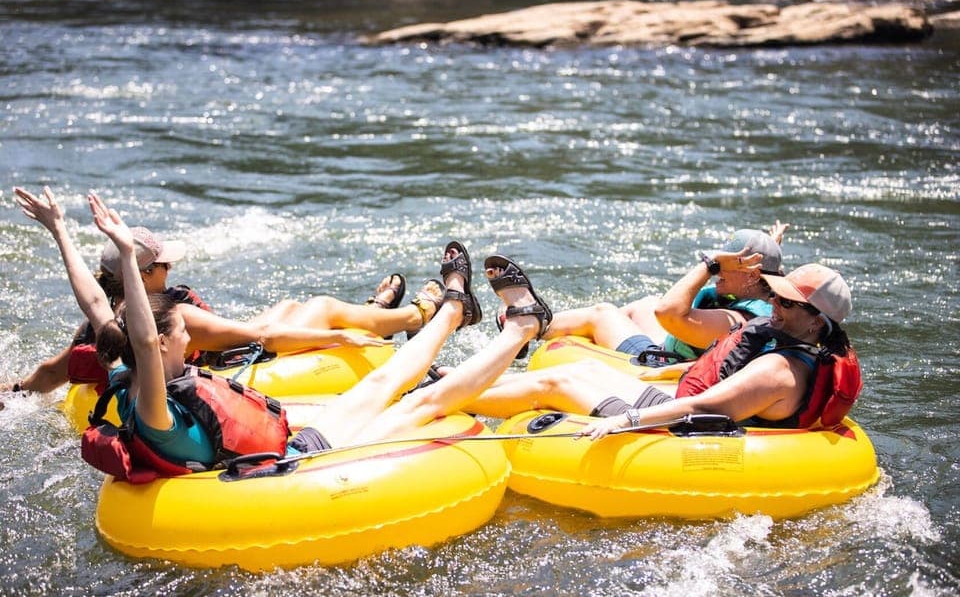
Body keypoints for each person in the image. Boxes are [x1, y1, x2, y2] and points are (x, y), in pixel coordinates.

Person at [83, 191, 553, 472]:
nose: (189, 337)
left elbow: (96, 303)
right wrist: (126, 253)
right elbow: (144, 338)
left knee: (384, 380)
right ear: (160, 343)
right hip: (301, 461)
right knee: (423, 401)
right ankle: (521, 328)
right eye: (181, 331)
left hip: (297, 443)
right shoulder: (153, 406)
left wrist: (60, 230)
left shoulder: (127, 374)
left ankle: (453, 310)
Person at [2, 186, 439, 395]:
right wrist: (336, 338)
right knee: (321, 307)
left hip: (219, 341)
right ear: (147, 275)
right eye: (165, 264)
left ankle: (373, 309)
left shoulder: (103, 329)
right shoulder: (173, 316)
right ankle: (417, 315)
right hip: (244, 359)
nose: (171, 269)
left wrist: (14, 390)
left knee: (289, 303)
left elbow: (49, 371)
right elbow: (263, 339)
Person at [465, 262, 860, 433]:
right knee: (584, 372)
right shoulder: (808, 348)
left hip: (680, 431)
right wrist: (670, 372)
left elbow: (705, 408)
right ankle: (451, 384)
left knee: (555, 383)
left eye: (786, 302)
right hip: (693, 413)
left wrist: (625, 421)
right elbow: (726, 380)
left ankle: (453, 400)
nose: (774, 304)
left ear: (815, 321)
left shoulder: (781, 370)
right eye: (775, 296)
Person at [534, 226, 787, 365]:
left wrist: (709, 264)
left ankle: (533, 325)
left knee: (603, 313)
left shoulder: (735, 321)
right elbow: (769, 276)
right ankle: (587, 340)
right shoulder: (762, 292)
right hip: (674, 348)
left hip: (663, 366)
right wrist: (769, 245)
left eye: (727, 264)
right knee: (646, 303)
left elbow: (667, 313)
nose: (718, 271)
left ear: (753, 275)